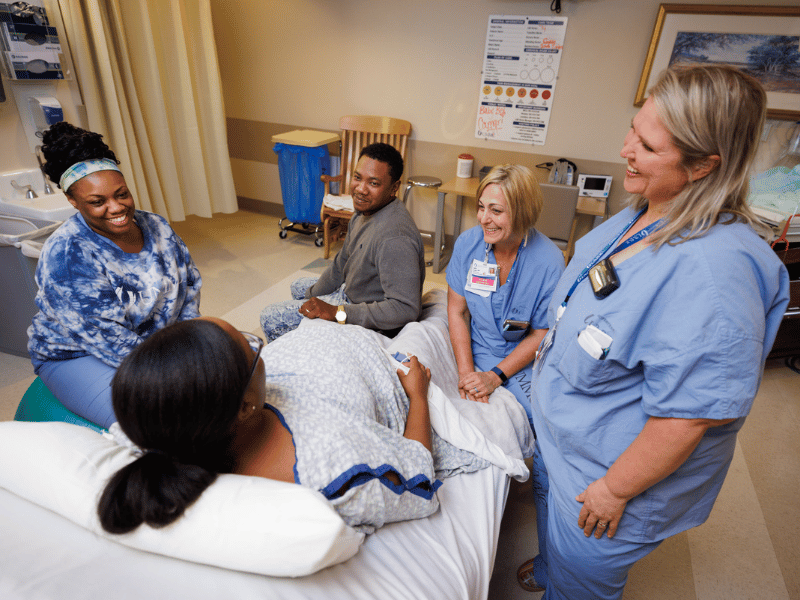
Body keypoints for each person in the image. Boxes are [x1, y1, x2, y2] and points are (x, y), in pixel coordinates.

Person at [516, 65, 789, 599]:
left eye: (645, 144)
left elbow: (687, 418)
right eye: (633, 129)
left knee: (582, 580)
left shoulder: (715, 281)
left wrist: (613, 491)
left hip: (607, 476)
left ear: (703, 166)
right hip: (566, 441)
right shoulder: (647, 210)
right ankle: (556, 566)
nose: (625, 149)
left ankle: (569, 578)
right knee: (562, 544)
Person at [98, 317, 487, 534]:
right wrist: (417, 394)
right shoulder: (333, 466)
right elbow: (417, 479)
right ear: (246, 405)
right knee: (429, 327)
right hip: (385, 362)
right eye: (252, 347)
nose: (260, 346)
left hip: (328, 338)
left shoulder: (156, 424)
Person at [27, 121, 202, 429]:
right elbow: (107, 338)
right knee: (165, 421)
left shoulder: (157, 226)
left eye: (121, 194)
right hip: (79, 354)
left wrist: (187, 344)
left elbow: (189, 286)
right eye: (97, 202)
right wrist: (175, 370)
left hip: (156, 343)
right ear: (73, 201)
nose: (116, 207)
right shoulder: (68, 254)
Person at [260, 142, 425, 341]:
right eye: (357, 178)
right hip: (350, 292)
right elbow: (342, 262)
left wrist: (337, 312)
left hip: (365, 317)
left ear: (394, 188)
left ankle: (294, 358)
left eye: (373, 183)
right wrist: (312, 297)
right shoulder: (365, 211)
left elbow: (405, 308)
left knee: (269, 318)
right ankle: (304, 336)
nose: (360, 189)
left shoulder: (395, 238)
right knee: (299, 288)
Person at [445, 164, 564, 425]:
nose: (483, 218)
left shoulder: (549, 262)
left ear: (522, 212)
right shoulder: (469, 244)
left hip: (522, 353)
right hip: (477, 345)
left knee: (544, 418)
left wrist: (495, 376)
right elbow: (457, 311)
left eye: (496, 210)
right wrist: (467, 375)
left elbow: (541, 333)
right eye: (481, 207)